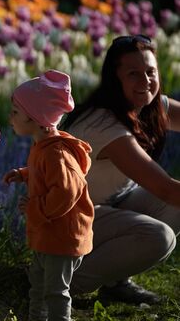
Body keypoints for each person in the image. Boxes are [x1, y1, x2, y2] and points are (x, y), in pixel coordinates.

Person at [61, 34, 180, 304]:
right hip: (69, 220)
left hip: (108, 207)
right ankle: (61, 284)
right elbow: (165, 189)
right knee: (159, 237)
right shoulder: (105, 125)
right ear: (115, 80)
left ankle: (115, 282)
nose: (145, 81)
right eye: (133, 74)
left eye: (150, 72)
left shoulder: (147, 106)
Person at [3, 69, 94, 321]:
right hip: (48, 236)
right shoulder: (43, 147)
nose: (10, 118)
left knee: (55, 293)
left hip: (61, 238)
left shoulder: (57, 154)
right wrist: (25, 173)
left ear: (35, 118)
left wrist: (36, 208)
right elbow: (46, 175)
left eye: (15, 112)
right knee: (39, 289)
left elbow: (67, 191)